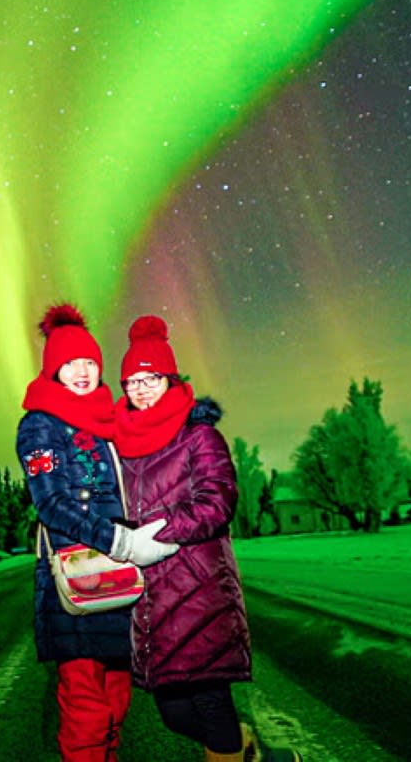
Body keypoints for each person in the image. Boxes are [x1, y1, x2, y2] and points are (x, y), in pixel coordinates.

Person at [18, 304, 180, 761]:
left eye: (90, 362)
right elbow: (51, 503)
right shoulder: (41, 424)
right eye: (71, 363)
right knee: (85, 704)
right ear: (53, 369)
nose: (83, 372)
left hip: (122, 578)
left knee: (116, 699)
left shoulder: (111, 420)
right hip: (79, 573)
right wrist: (120, 541)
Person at [116, 314, 272, 762]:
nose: (142, 389)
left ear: (171, 379)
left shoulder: (199, 435)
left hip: (200, 588)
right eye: (132, 381)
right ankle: (246, 749)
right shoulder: (122, 442)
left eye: (151, 378)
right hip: (151, 597)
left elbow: (217, 501)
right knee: (173, 714)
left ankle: (234, 751)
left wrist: (157, 535)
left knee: (210, 702)